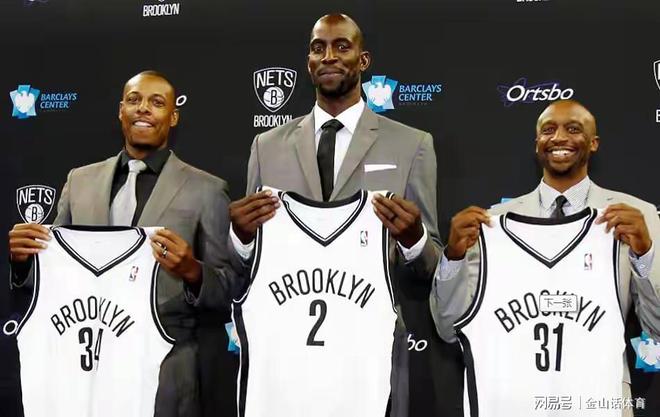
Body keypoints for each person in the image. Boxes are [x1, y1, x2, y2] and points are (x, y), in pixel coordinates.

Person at [227, 13, 442, 417]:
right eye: (318, 48)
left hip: (368, 352)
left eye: (342, 46)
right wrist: (239, 237)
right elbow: (244, 266)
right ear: (308, 62)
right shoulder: (266, 146)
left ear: (363, 60)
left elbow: (433, 266)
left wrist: (414, 240)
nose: (328, 56)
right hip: (283, 354)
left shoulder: (412, 144)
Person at [8, 70, 240, 417]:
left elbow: (228, 288)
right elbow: (54, 273)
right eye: (134, 100)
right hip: (84, 363)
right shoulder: (80, 181)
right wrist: (24, 261)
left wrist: (192, 271)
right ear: (121, 110)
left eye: (156, 102)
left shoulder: (207, 190)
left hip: (166, 369)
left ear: (173, 116)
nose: (143, 108)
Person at [431, 99, 660, 417]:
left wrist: (644, 253)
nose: (559, 137)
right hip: (511, 398)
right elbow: (448, 326)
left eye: (574, 129)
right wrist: (453, 257)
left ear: (594, 143)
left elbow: (657, 327)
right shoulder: (492, 224)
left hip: (598, 398)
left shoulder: (634, 216)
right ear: (537, 142)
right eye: (549, 130)